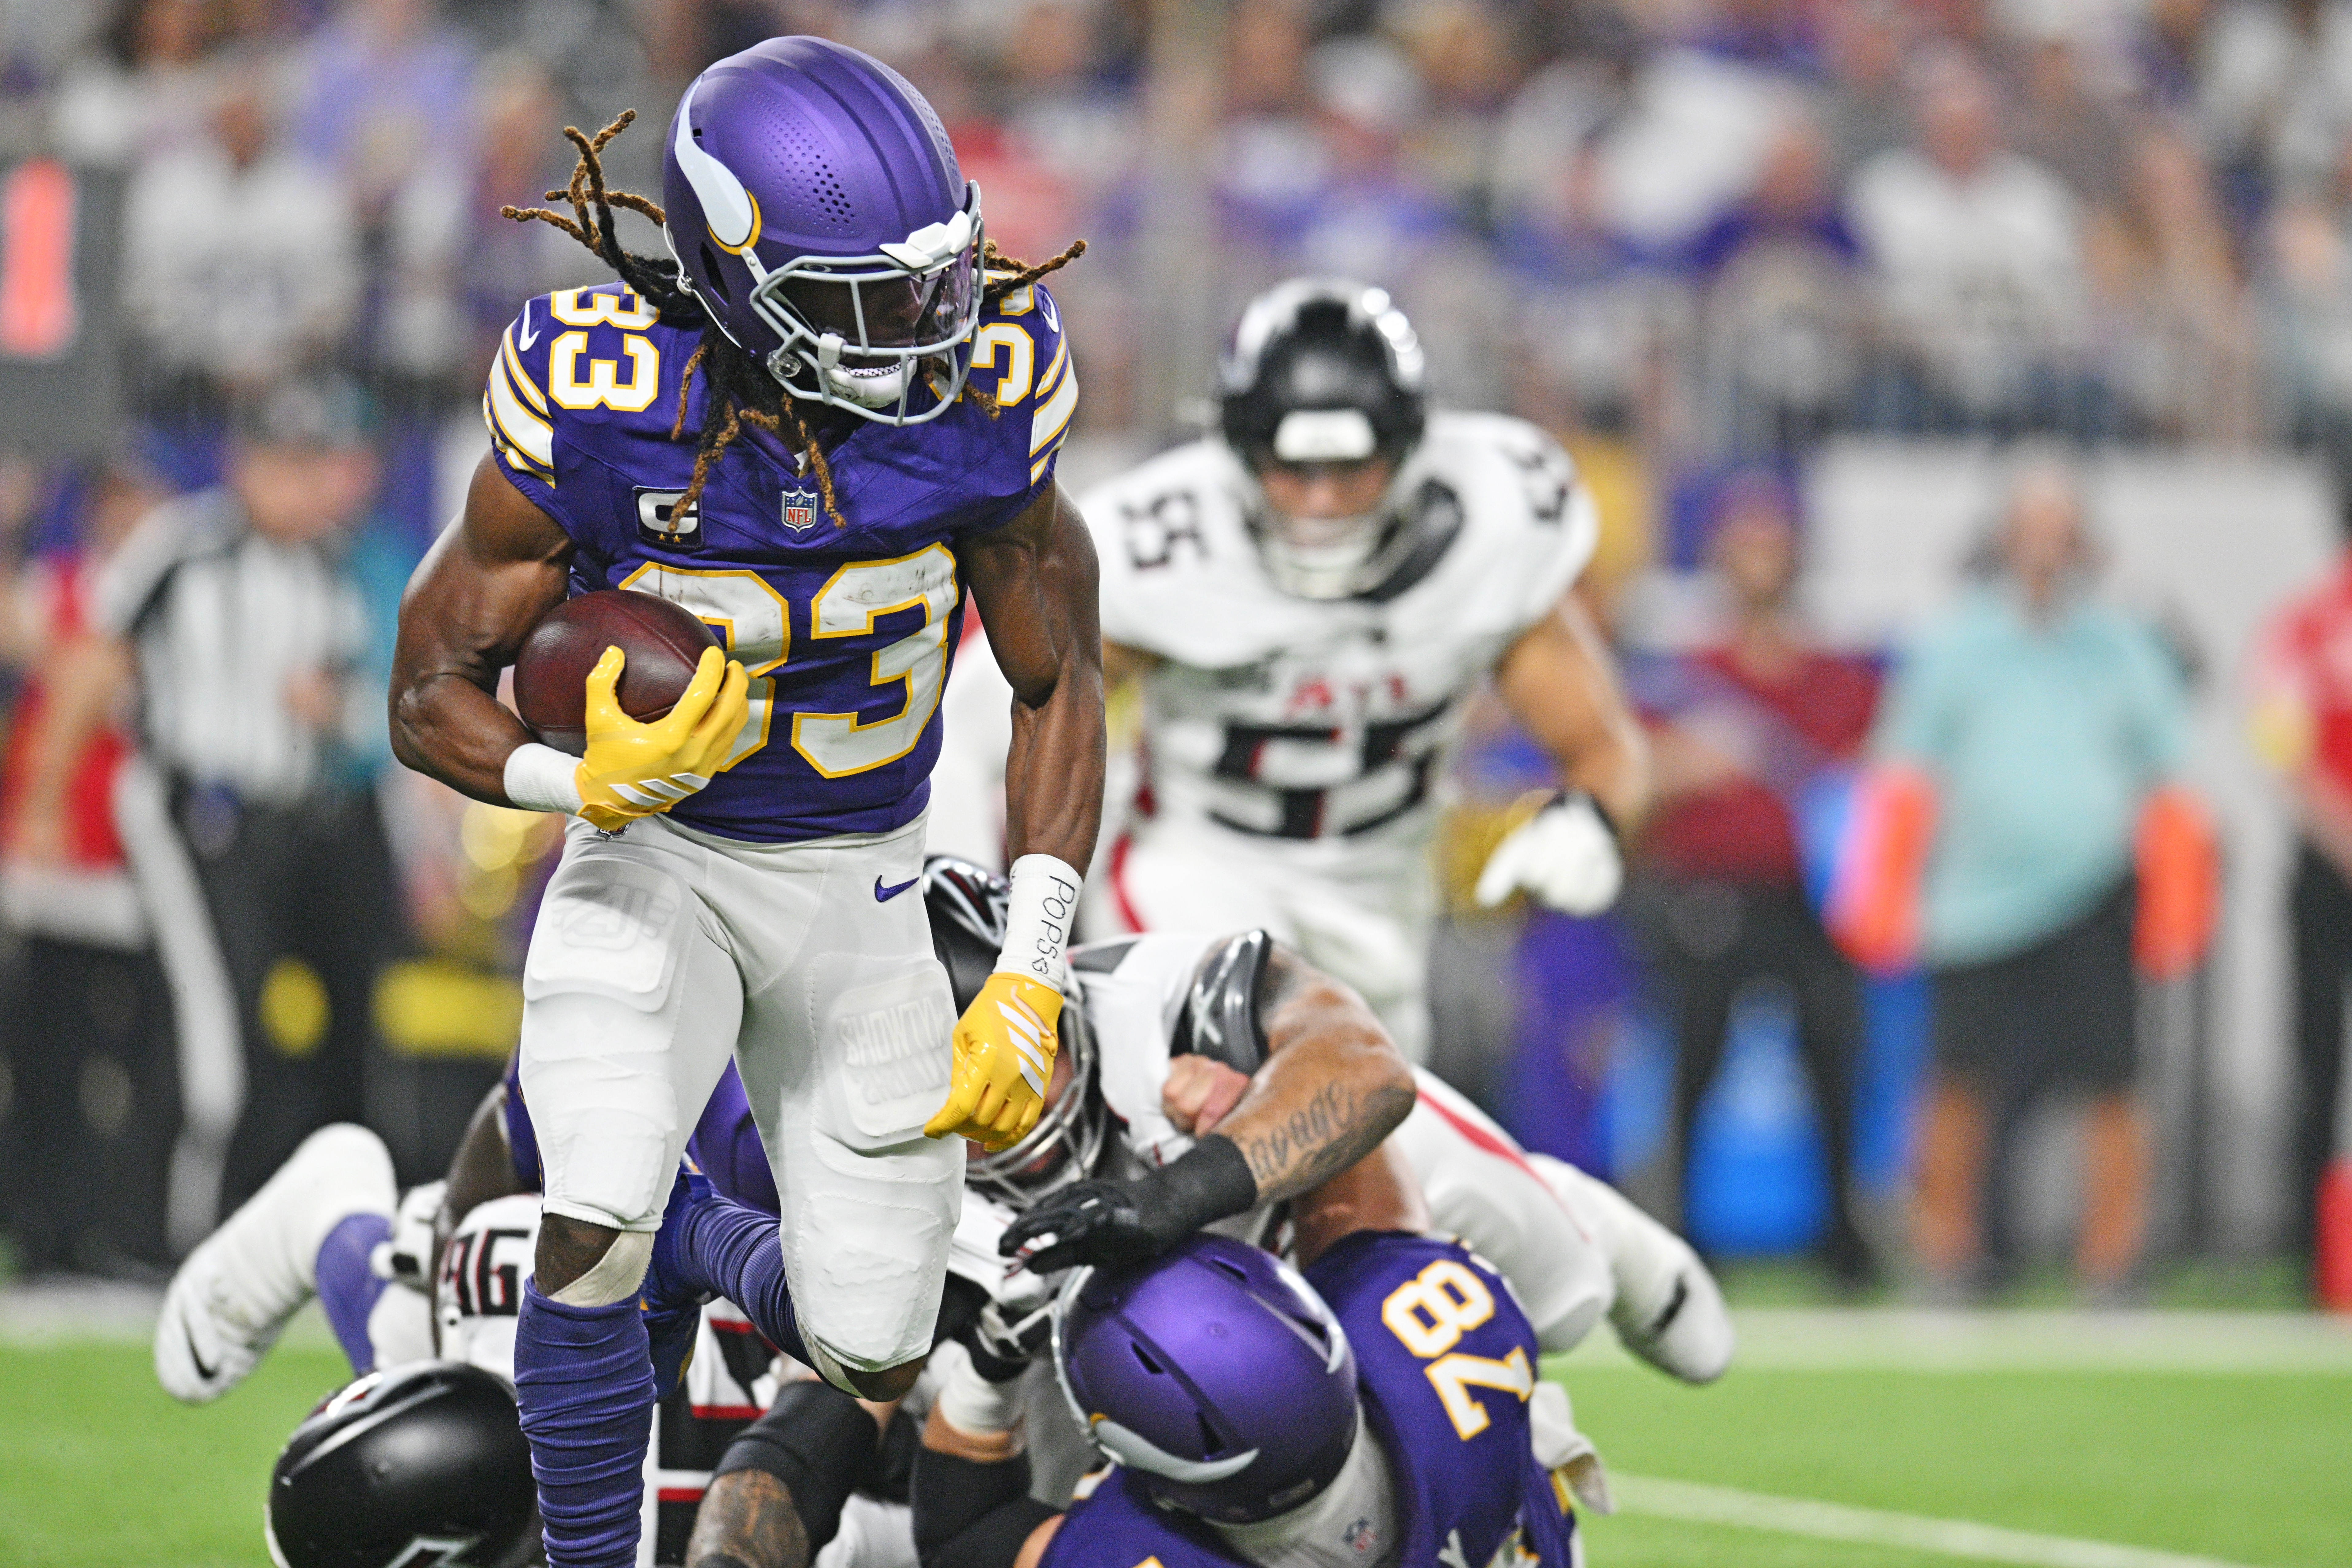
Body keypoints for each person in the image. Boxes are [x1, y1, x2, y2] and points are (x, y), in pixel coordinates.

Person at [386, 38, 1106, 1567]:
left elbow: (1057, 681)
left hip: (865, 879)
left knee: (871, 1350)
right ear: (732, 275)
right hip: (658, 854)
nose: (926, 332)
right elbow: (425, 687)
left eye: (934, 282)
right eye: (869, 304)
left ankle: (689, 1235)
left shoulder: (987, 389)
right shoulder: (598, 396)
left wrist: (1033, 974)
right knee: (590, 1214)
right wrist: (572, 777)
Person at [1084, 277, 1648, 1062]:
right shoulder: (1159, 546)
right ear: (1238, 451)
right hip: (1199, 872)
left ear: (1412, 446)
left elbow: (1602, 743)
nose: (1321, 503)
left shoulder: (1496, 525)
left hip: (1381, 907)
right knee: (1229, 1100)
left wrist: (1593, 819)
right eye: (1293, 471)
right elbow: (1022, 718)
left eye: (1352, 470)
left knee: (1375, 1156)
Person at [41, 378, 398, 1238]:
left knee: (231, 1022)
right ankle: (169, 1233)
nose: (299, 486)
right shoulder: (185, 544)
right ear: (244, 464)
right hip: (185, 806)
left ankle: (181, 1223)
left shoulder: (329, 566)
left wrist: (335, 711)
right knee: (214, 1030)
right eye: (282, 464)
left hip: (277, 828)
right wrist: (45, 797)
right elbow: (93, 663)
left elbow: (359, 711)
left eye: (311, 465)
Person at [910, 1151, 1594, 1566]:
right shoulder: (1448, 1319)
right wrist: (1196, 1186)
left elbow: (964, 1543)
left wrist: (992, 1365)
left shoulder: (1128, 1551)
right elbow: (1355, 1129)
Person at [1868, 461, 2189, 1296]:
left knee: (2112, 1082)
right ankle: (1944, 1255)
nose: (2045, 546)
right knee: (1954, 1081)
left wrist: (2175, 896)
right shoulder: (1954, 643)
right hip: (1972, 903)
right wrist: (1886, 893)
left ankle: (2112, 1262)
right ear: (2003, 539)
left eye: (2060, 528)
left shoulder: (2122, 644)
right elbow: (1905, 771)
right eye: (2029, 527)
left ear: (2083, 541)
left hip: (2088, 895)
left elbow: (2167, 772)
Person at [1631, 473, 1879, 1285]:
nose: (1759, 560)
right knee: (1694, 1063)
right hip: (1708, 893)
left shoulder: (1834, 678)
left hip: (1807, 898)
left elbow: (1873, 773)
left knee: (1834, 1062)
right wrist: (1683, 766)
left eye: (1772, 543)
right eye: (1746, 543)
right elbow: (1627, 777)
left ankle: (1841, 1236)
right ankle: (1684, 1234)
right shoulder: (1685, 675)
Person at [2250, 506, 2352, 1294]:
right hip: (2327, 870)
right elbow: (2282, 748)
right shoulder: (2305, 625)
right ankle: (2307, 1249)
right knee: (2315, 1057)